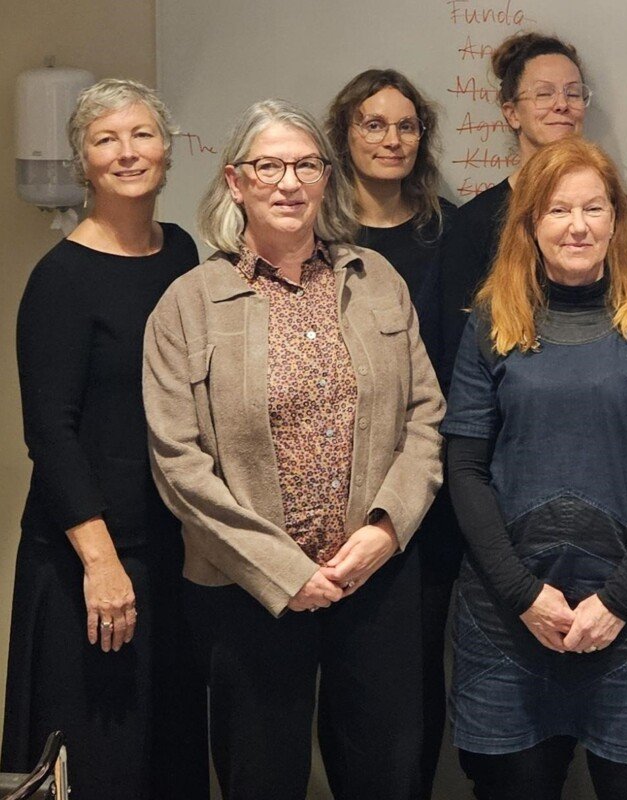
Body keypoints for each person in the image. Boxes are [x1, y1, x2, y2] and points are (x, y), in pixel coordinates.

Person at [143, 99, 445, 800]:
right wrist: (283, 570)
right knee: (261, 778)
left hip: (374, 582)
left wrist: (383, 529)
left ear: (326, 178)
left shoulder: (376, 281)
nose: (289, 182)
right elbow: (179, 464)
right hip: (248, 595)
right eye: (269, 166)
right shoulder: (188, 303)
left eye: (306, 165)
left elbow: (426, 416)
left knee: (387, 775)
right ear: (235, 181)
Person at [442, 136, 627, 800]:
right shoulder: (489, 320)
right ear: (530, 223)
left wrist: (617, 601)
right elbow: (465, 467)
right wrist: (523, 596)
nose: (578, 226)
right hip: (511, 612)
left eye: (595, 208)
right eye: (559, 210)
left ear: (617, 220)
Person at [1, 77, 208, 800]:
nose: (128, 153)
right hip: (87, 564)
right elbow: (49, 434)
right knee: (98, 765)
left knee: (170, 755)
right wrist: (102, 562)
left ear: (167, 150)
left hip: (173, 552)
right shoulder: (60, 279)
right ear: (82, 162)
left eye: (142, 134)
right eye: (106, 140)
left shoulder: (183, 253)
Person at [325, 67, 458, 798]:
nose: (392, 138)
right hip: (330, 485)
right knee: (341, 676)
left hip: (423, 479)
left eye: (406, 125)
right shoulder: (315, 231)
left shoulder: (449, 230)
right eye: (373, 124)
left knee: (407, 679)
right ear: (345, 135)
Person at [434, 31, 590, 387]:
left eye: (573, 92)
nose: (562, 104)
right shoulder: (472, 223)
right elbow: (459, 350)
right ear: (511, 113)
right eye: (544, 93)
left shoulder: (610, 209)